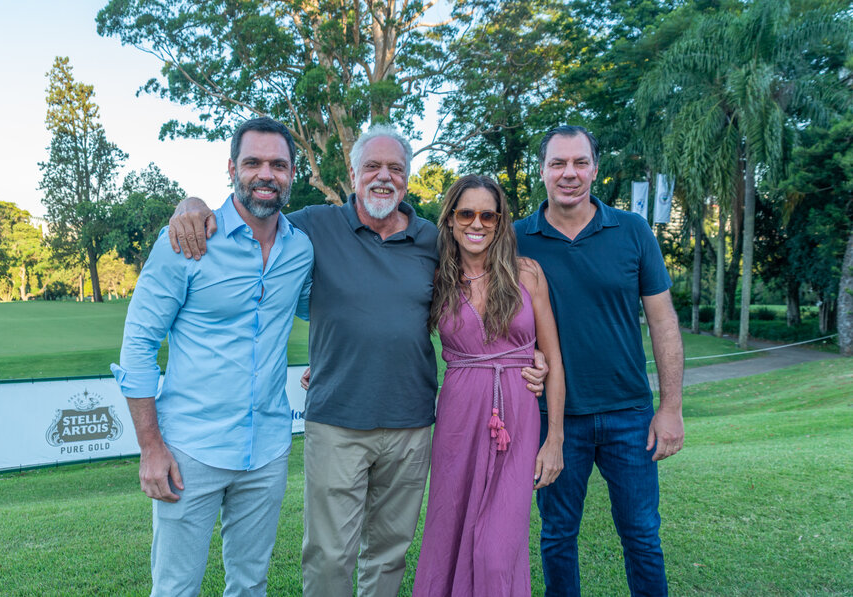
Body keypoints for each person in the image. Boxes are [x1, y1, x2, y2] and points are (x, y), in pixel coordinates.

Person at [167, 124, 548, 597]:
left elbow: (488, 276)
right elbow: (254, 214)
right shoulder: (314, 226)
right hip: (337, 422)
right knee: (329, 556)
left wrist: (526, 351)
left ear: (407, 178)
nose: (383, 176)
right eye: (372, 166)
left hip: (411, 424)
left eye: (395, 168)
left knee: (388, 554)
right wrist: (192, 205)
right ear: (353, 174)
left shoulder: (434, 241)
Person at [111, 116, 314, 597]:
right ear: (231, 168)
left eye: (278, 165)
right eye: (253, 162)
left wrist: (328, 359)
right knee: (176, 588)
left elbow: (333, 310)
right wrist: (151, 447)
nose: (266, 174)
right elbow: (138, 345)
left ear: (292, 173)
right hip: (189, 450)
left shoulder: (301, 250)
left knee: (251, 585)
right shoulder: (186, 240)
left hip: (267, 449)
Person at [514, 125, 685, 597]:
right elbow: (497, 318)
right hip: (554, 419)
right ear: (542, 170)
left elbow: (663, 323)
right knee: (557, 536)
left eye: (580, 162)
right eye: (558, 163)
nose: (569, 173)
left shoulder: (632, 230)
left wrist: (671, 408)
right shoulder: (516, 239)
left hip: (629, 415)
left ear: (595, 169)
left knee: (642, 536)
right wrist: (527, 353)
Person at [412, 175, 566, 596]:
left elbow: (552, 360)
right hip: (459, 419)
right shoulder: (437, 278)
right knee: (448, 532)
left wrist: (554, 439)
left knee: (497, 550)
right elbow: (390, 326)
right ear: (450, 219)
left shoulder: (527, 274)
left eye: (488, 215)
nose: (476, 223)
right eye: (466, 213)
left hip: (518, 418)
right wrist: (329, 362)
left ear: (501, 222)